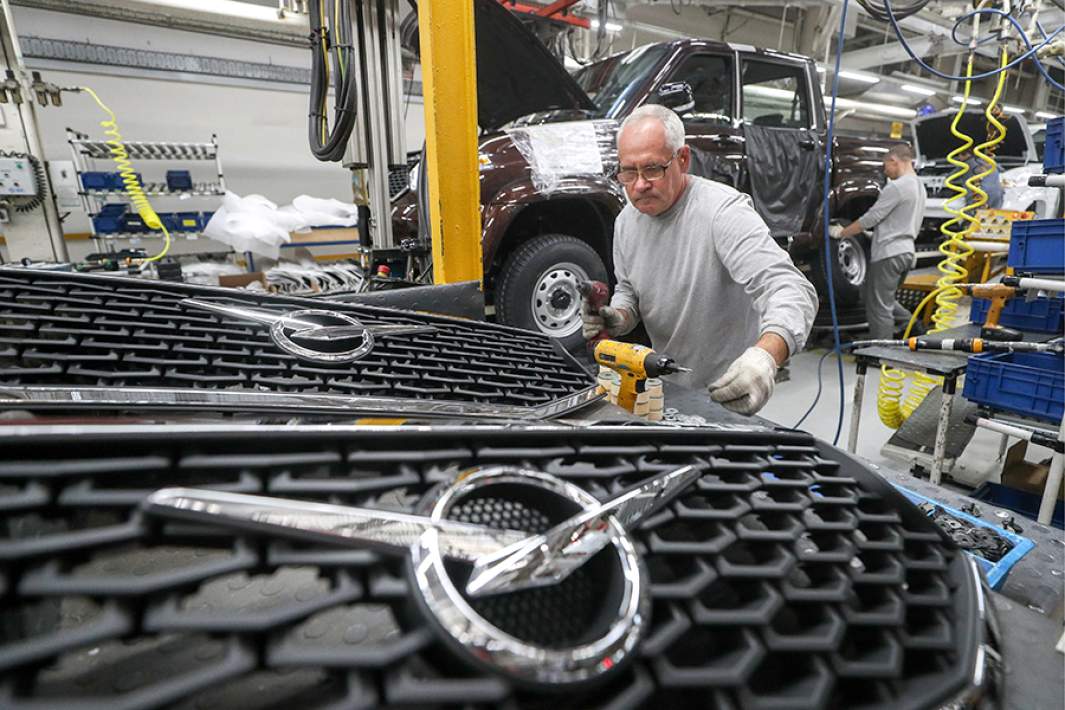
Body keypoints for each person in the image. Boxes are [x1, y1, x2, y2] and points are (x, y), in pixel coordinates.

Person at [581, 104, 817, 416]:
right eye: (628, 171)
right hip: (668, 387)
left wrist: (765, 358)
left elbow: (790, 288)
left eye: (652, 169)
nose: (638, 185)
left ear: (682, 159)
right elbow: (629, 288)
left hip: (732, 389)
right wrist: (619, 316)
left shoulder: (723, 212)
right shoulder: (626, 221)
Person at [831, 143, 927, 339]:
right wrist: (874, 236)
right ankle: (913, 327)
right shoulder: (919, 186)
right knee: (876, 296)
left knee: (879, 308)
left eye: (886, 166)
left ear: (895, 161)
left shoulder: (898, 187)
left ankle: (881, 352)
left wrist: (842, 232)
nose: (885, 171)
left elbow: (871, 218)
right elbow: (899, 220)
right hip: (906, 251)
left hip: (889, 254)